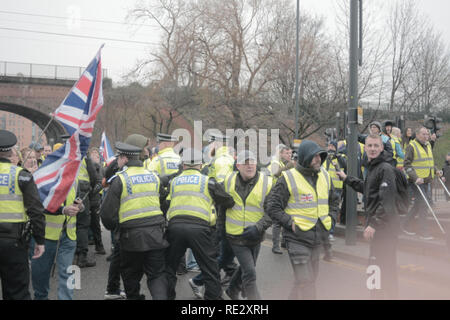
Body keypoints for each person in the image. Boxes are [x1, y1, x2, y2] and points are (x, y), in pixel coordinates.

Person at [267, 140, 339, 300]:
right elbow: (272, 206)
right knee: (306, 282)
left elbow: (334, 200)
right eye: (315, 157)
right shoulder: (288, 177)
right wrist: (289, 222)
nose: (318, 159)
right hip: (296, 238)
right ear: (305, 157)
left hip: (317, 238)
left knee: (308, 280)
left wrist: (332, 218)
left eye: (320, 156)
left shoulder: (325, 176)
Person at [100, 141, 169, 300]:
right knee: (157, 276)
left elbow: (106, 213)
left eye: (118, 157)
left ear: (124, 159)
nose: (117, 161)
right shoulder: (153, 176)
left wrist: (115, 228)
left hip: (131, 238)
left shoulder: (120, 180)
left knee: (131, 277)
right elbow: (163, 201)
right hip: (156, 235)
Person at [336, 134, 400, 299]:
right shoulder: (374, 167)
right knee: (384, 268)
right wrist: (347, 179)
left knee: (377, 268)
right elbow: (368, 188)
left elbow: (387, 200)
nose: (372, 149)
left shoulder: (384, 168)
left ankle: (378, 296)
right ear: (365, 148)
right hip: (382, 228)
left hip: (384, 230)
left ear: (381, 148)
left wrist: (373, 224)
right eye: (369, 146)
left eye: (375, 146)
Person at [165, 148, 235, 300]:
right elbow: (228, 201)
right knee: (210, 269)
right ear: (201, 165)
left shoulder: (174, 181)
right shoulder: (208, 181)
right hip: (200, 229)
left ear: (183, 165)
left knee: (169, 269)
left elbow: (167, 202)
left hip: (175, 228)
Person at [0, 130, 46, 300]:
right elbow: (36, 210)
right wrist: (40, 240)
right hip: (14, 243)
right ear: (12, 152)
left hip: (14, 240)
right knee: (17, 291)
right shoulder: (22, 175)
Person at [223, 150, 273, 300]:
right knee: (250, 273)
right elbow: (221, 206)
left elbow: (272, 212)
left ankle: (232, 290)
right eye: (245, 163)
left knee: (246, 268)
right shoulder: (228, 180)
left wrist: (258, 227)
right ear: (238, 165)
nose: (249, 165)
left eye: (252, 162)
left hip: (255, 236)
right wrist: (219, 230)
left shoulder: (267, 182)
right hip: (235, 236)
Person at [30, 180, 83, 300]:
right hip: (46, 236)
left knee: (67, 271)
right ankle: (41, 297)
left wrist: (79, 206)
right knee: (41, 273)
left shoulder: (74, 176)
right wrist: (63, 210)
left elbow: (77, 197)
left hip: (68, 235)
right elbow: (37, 204)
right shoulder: (47, 175)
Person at [402, 127, 442, 240]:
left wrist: (436, 171)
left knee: (418, 205)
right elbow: (407, 165)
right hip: (416, 182)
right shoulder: (412, 146)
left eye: (427, 134)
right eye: (423, 134)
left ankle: (404, 225)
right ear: (417, 134)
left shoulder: (428, 145)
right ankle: (423, 232)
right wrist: (415, 178)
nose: (426, 136)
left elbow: (429, 163)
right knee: (424, 204)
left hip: (426, 181)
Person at [74, 153, 102, 268]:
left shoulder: (65, 155)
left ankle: (72, 253)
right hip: (81, 191)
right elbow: (94, 177)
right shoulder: (85, 158)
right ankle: (82, 257)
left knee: (71, 223)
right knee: (82, 224)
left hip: (67, 190)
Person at [267, 144, 293, 255]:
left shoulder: (281, 163)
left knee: (283, 218)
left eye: (290, 153)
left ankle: (283, 242)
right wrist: (290, 166)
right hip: (274, 194)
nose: (289, 155)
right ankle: (275, 246)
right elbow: (276, 174)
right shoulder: (275, 163)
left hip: (282, 193)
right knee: (277, 222)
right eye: (287, 153)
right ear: (281, 153)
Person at [87, 148, 106, 255]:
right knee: (85, 224)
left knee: (95, 224)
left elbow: (101, 183)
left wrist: (92, 192)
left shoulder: (101, 169)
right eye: (93, 156)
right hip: (86, 199)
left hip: (95, 200)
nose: (95, 158)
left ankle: (99, 246)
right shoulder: (87, 167)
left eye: (97, 156)